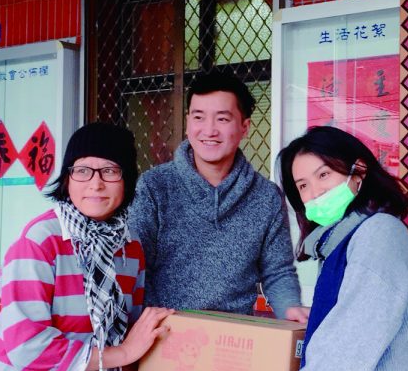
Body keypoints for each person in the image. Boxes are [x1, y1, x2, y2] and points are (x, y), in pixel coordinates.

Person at [0, 122, 173, 371]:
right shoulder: (41, 240)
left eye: (110, 171)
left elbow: (129, 337)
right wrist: (123, 353)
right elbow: (28, 346)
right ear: (67, 178)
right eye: (83, 170)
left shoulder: (130, 249)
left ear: (128, 179)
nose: (96, 183)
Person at [259, 126, 408, 371]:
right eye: (303, 185)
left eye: (324, 175)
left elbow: (351, 341)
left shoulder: (378, 233)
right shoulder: (338, 242)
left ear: (358, 172)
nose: (315, 192)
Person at [127, 71, 307, 322]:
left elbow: (277, 271)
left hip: (232, 336)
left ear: (245, 127)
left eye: (222, 119)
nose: (209, 130)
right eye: (198, 117)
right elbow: (134, 265)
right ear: (187, 122)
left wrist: (290, 308)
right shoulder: (155, 186)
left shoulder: (266, 196)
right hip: (163, 331)